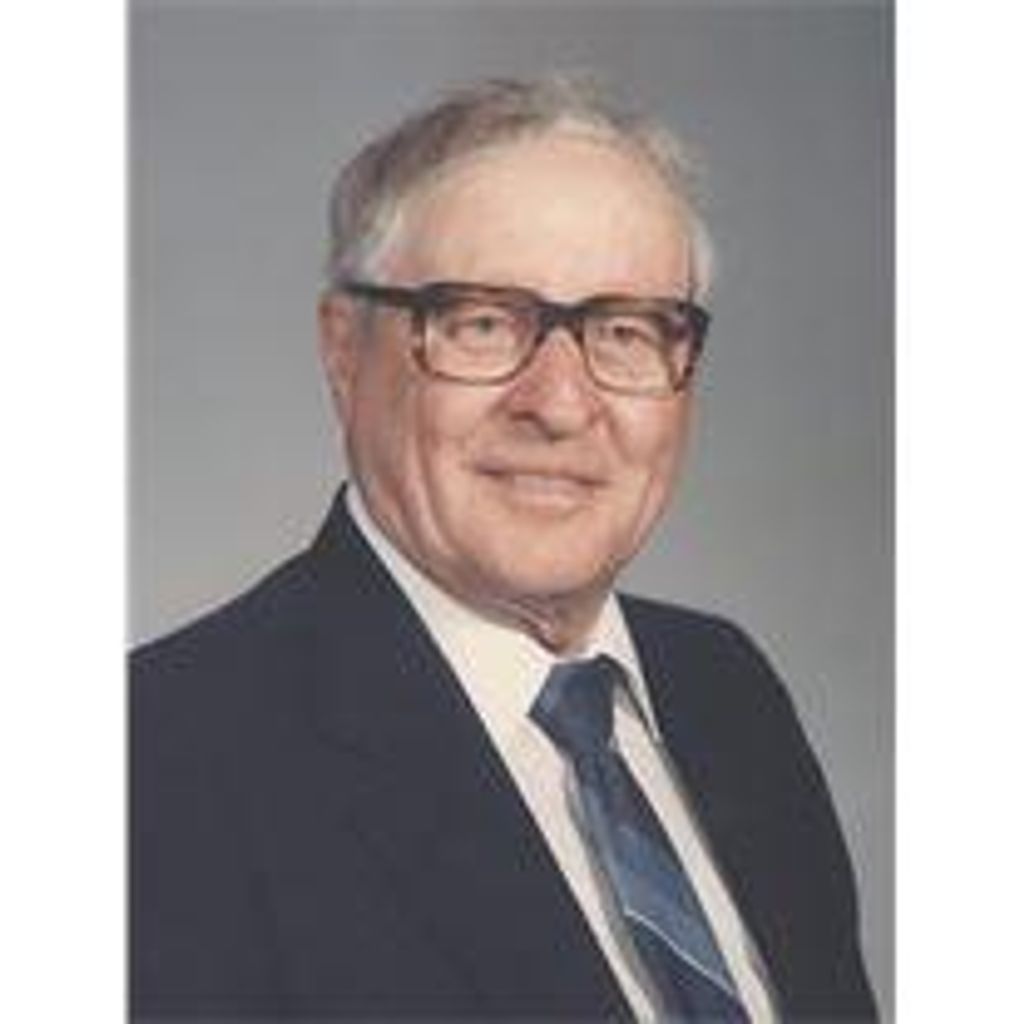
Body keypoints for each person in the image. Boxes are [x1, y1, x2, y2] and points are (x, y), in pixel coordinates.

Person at [131, 74, 877, 1021]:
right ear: (344, 350)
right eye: (482, 323)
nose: (560, 405)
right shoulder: (152, 761)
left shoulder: (726, 691)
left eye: (625, 331)